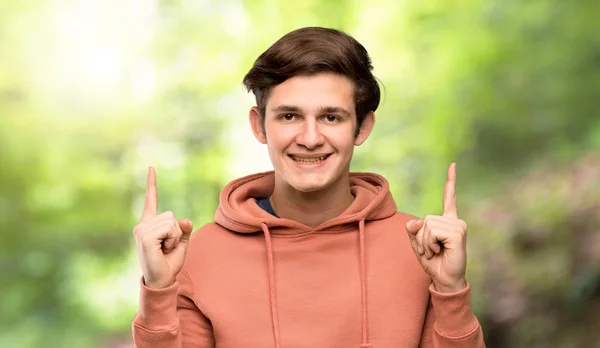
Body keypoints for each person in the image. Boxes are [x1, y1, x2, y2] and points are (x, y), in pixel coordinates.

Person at [131, 27, 485, 347]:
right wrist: (159, 291)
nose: (310, 138)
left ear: (362, 128)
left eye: (331, 117)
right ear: (260, 126)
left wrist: (450, 290)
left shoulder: (419, 249)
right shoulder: (200, 253)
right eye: (289, 116)